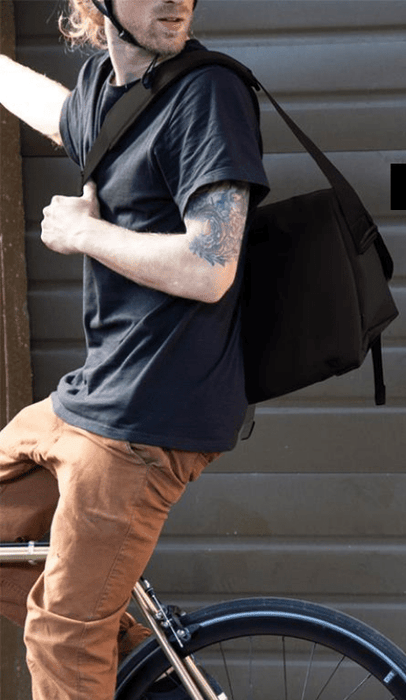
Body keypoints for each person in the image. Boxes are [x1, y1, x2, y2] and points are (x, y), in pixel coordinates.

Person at [0, 0, 269, 697]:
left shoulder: (210, 95)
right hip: (92, 396)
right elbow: (58, 113)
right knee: (32, 574)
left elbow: (211, 267)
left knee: (62, 636)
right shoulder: (105, 86)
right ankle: (154, 681)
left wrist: (82, 233)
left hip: (149, 416)